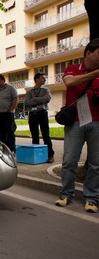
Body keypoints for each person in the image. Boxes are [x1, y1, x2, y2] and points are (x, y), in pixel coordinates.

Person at [55, 38, 99, 213]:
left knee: (96, 164)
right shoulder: (72, 69)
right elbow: (69, 82)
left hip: (97, 122)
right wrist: (94, 74)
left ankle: (92, 198)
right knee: (69, 161)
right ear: (89, 53)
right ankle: (66, 194)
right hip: (75, 122)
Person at [25, 73, 55, 163]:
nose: (44, 80)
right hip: (32, 115)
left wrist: (34, 99)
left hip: (43, 114)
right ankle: (36, 156)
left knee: (46, 135)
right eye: (42, 78)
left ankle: (50, 155)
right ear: (37, 79)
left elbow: (47, 99)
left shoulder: (46, 90)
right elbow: (27, 103)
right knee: (35, 136)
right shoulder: (30, 91)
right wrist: (40, 99)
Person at [0, 74, 19, 153]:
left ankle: (12, 149)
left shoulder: (10, 88)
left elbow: (16, 99)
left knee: (10, 132)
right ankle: (2, 149)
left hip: (7, 114)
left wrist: (11, 109)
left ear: (3, 80)